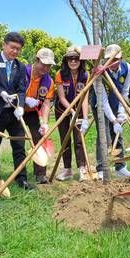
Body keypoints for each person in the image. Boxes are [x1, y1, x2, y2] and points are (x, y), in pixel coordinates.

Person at [0, 32, 34, 189]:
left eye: (18, 49)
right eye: (12, 47)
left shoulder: (20, 66)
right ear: (4, 45)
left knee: (19, 146)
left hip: (13, 113)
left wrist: (20, 106)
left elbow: (21, 89)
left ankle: (22, 178)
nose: (15, 51)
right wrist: (1, 93)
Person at [90, 44, 130, 178]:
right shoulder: (98, 72)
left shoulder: (127, 68)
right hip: (100, 106)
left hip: (116, 103)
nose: (113, 63)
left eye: (116, 59)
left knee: (118, 136)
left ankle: (120, 166)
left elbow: (124, 92)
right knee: (103, 135)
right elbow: (103, 100)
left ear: (121, 58)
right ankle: (101, 168)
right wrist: (113, 120)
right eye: (110, 59)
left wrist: (121, 113)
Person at [54, 46, 90, 182]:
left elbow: (85, 98)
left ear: (80, 60)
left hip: (79, 109)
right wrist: (72, 111)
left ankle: (82, 168)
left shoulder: (85, 75)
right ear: (66, 60)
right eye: (70, 59)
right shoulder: (60, 74)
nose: (73, 61)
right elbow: (62, 97)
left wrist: (85, 118)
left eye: (76, 58)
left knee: (79, 140)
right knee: (65, 140)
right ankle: (67, 170)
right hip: (62, 110)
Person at [23, 48, 56, 184]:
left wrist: (44, 122)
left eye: (49, 65)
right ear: (37, 60)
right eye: (43, 64)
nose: (46, 68)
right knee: (18, 140)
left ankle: (40, 174)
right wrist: (25, 99)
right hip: (16, 110)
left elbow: (46, 103)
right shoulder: (22, 71)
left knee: (39, 139)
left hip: (32, 113)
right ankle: (21, 176)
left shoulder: (49, 81)